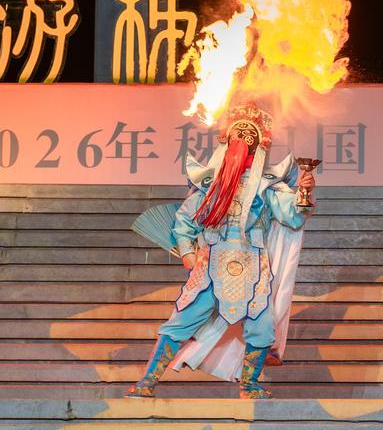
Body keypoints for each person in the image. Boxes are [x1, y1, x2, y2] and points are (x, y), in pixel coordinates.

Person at [128, 104, 311, 400]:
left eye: (247, 143)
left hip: (253, 267)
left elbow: (293, 216)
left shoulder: (266, 186)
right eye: (237, 140)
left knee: (262, 325)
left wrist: (304, 192)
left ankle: (249, 385)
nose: (241, 148)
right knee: (181, 321)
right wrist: (188, 253)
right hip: (211, 264)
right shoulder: (210, 185)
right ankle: (148, 380)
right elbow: (184, 221)